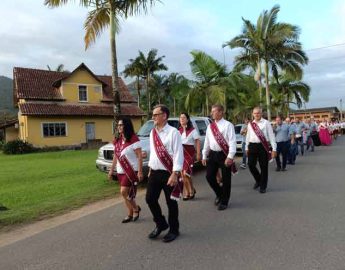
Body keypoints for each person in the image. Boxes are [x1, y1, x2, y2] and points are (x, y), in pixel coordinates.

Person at [145, 104, 184, 243]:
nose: (153, 117)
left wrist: (175, 173)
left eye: (156, 115)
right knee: (150, 199)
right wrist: (150, 168)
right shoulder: (152, 133)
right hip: (155, 172)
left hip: (169, 173)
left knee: (171, 203)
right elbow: (154, 153)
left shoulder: (174, 132)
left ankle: (174, 230)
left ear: (164, 116)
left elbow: (179, 154)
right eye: (153, 115)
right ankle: (161, 223)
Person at [108, 117, 143, 223]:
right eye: (118, 125)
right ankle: (130, 213)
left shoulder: (134, 139)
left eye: (121, 125)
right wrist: (111, 170)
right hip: (120, 171)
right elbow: (115, 156)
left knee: (124, 191)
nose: (119, 127)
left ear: (126, 126)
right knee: (125, 194)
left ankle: (136, 208)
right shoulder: (117, 140)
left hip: (131, 170)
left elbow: (140, 156)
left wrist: (140, 171)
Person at [202, 104, 236, 210]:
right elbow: (207, 142)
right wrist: (204, 155)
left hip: (224, 154)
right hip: (213, 154)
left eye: (214, 111)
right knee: (209, 176)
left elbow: (232, 142)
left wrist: (230, 157)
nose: (212, 113)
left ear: (221, 112)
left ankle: (224, 201)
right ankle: (219, 193)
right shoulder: (210, 126)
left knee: (226, 179)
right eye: (212, 111)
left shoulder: (228, 125)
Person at [245, 107, 277, 193]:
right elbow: (248, 136)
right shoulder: (250, 124)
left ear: (261, 113)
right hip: (252, 146)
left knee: (264, 167)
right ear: (252, 114)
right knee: (251, 165)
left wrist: (274, 149)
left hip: (263, 146)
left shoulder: (266, 123)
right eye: (255, 113)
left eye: (258, 113)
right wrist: (246, 147)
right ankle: (258, 180)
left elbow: (271, 136)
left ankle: (263, 186)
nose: (257, 115)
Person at [178, 112, 201, 201]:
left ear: (187, 119)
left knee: (185, 173)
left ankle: (190, 191)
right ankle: (189, 191)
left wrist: (198, 153)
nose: (182, 119)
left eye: (184, 117)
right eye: (180, 118)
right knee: (184, 175)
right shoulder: (178, 131)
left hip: (189, 154)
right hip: (180, 155)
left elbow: (197, 141)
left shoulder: (193, 130)